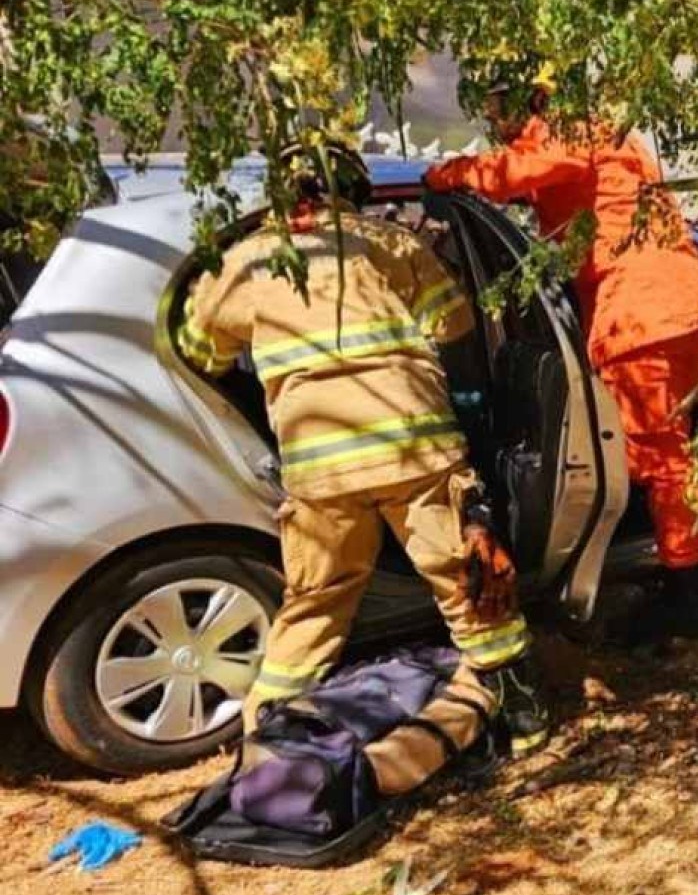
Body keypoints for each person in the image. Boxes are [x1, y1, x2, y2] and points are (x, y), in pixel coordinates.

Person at [177, 141, 550, 754]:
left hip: (320, 471)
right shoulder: (392, 244)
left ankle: (268, 738)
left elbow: (200, 351)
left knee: (316, 601)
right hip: (414, 450)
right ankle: (525, 720)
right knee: (465, 581)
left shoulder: (243, 263)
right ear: (354, 190)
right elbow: (454, 324)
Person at [425, 62, 698, 634]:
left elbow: (513, 172)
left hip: (642, 314)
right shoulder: (604, 135)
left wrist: (450, 174)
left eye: (496, 106)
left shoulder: (570, 132)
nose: (494, 122)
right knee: (670, 452)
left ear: (529, 98)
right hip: (668, 305)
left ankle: (690, 593)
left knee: (659, 457)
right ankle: (696, 572)